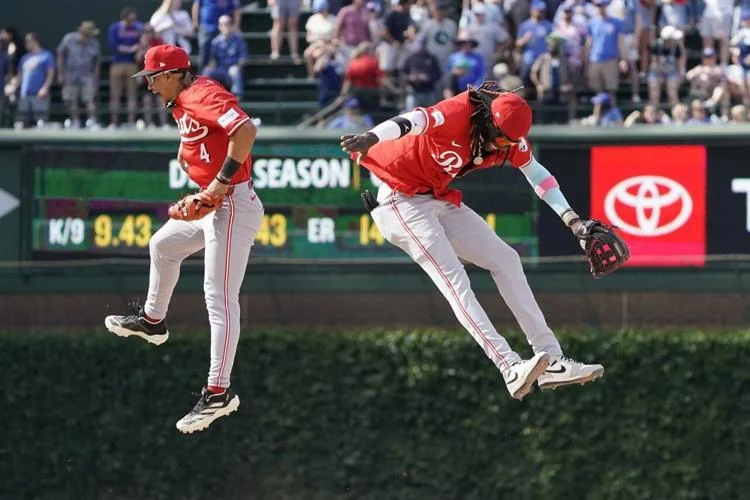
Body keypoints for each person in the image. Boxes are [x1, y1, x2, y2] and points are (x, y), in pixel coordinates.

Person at [339, 82, 604, 400]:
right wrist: (372, 137)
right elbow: (412, 121)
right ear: (489, 120)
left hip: (436, 196)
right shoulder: (457, 114)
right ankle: (509, 366)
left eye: (511, 140)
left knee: (507, 259)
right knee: (455, 279)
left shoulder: (507, 138)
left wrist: (573, 221)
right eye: (502, 136)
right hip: (398, 199)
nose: (504, 145)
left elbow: (538, 175)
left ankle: (552, 360)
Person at [105, 44, 264, 434]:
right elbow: (196, 137)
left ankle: (218, 393)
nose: (149, 86)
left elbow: (245, 130)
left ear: (174, 73)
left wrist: (217, 185)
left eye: (153, 78)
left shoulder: (202, 93)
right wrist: (189, 159)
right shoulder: (181, 100)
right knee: (163, 246)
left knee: (219, 297)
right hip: (214, 205)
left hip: (232, 206)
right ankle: (152, 322)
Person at [4, 32, 55, 128]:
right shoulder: (25, 58)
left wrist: (45, 88)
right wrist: (13, 87)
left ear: (34, 41)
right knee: (22, 121)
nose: (26, 44)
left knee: (41, 121)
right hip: (25, 95)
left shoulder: (46, 55)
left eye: (28, 42)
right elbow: (20, 76)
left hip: (39, 94)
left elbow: (50, 74)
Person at [56, 21, 101, 129]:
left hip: (87, 76)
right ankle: (75, 121)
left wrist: (96, 79)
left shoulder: (95, 43)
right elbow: (60, 55)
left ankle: (92, 121)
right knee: (70, 100)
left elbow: (96, 63)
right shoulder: (68, 39)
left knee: (89, 99)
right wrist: (60, 74)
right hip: (70, 75)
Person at [108, 7, 143, 128]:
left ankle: (131, 122)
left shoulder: (138, 27)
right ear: (125, 18)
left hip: (132, 64)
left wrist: (137, 49)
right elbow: (114, 45)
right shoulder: (115, 28)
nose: (132, 21)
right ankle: (113, 122)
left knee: (131, 94)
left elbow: (141, 43)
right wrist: (129, 49)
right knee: (115, 94)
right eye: (130, 19)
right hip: (117, 64)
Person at [203, 14, 247, 97]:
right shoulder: (216, 42)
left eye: (227, 23)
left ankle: (237, 96)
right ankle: (207, 94)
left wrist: (237, 66)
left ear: (231, 25)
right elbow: (213, 60)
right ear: (219, 26)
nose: (225, 26)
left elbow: (242, 58)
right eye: (222, 24)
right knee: (207, 72)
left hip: (233, 69)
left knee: (234, 71)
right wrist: (210, 67)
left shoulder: (238, 40)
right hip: (221, 70)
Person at [192, 0, 242, 68]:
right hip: (206, 29)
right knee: (204, 54)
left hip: (224, 29)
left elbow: (236, 8)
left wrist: (236, 25)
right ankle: (201, 75)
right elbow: (196, 5)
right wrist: (195, 22)